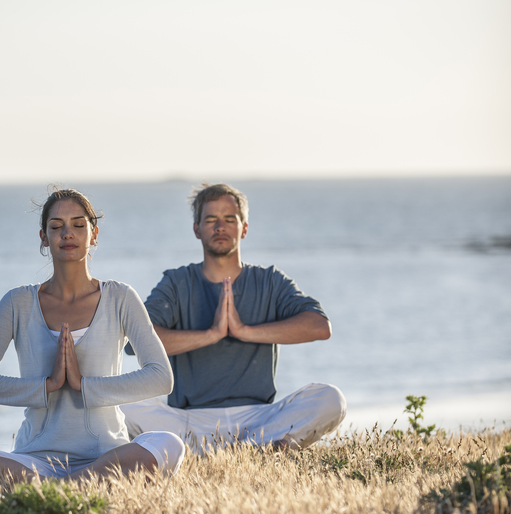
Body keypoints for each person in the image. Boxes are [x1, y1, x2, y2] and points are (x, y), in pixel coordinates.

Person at [0, 187, 184, 492]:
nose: (68, 233)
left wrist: (84, 385)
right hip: (34, 461)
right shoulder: (18, 302)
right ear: (44, 237)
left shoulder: (120, 297)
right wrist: (47, 386)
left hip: (106, 455)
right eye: (57, 227)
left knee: (168, 444)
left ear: (93, 235)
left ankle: (53, 491)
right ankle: (77, 488)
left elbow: (161, 378)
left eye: (79, 225)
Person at [122, 182, 346, 452]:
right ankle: (251, 451)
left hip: (258, 418)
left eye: (229, 219)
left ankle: (249, 448)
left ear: (244, 228)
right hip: (189, 421)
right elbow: (133, 344)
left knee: (331, 398)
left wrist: (242, 331)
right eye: (211, 220)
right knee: (119, 403)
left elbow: (320, 327)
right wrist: (211, 334)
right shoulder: (177, 282)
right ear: (197, 229)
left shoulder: (269, 280)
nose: (220, 227)